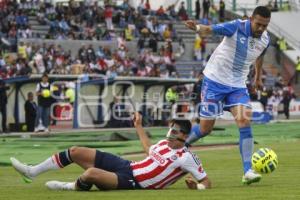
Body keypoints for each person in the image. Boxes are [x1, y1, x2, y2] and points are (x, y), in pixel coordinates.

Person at [10, 112, 211, 191]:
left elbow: (207, 183)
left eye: (174, 130)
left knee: (89, 174)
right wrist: (138, 125)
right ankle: (32, 171)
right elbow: (147, 148)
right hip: (126, 166)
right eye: (170, 128)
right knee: (76, 151)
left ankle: (69, 186)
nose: (170, 132)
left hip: (135, 183)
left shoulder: (186, 157)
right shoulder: (163, 144)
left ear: (184, 136)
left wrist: (197, 188)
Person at [184, 6, 271, 185]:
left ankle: (248, 171)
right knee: (205, 129)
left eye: (265, 25)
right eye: (259, 24)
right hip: (214, 81)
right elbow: (213, 29)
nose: (261, 29)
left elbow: (260, 56)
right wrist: (197, 28)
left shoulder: (265, 39)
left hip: (237, 85)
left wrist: (257, 76)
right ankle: (180, 145)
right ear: (250, 19)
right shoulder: (236, 26)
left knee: (244, 121)